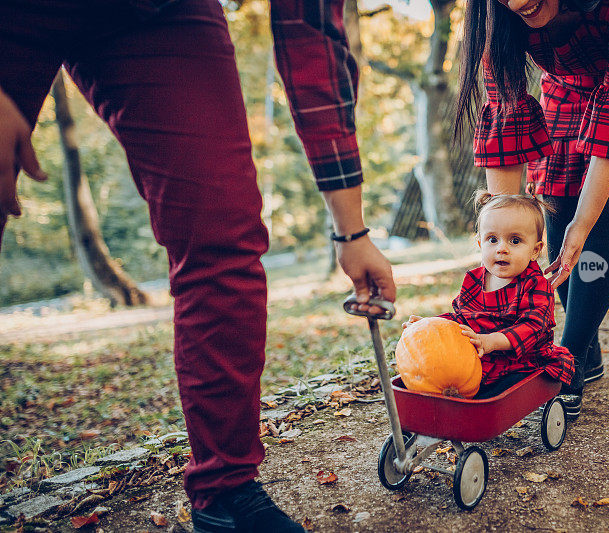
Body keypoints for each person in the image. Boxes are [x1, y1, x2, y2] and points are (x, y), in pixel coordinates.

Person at [0, 0, 394, 531]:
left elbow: (311, 35)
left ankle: (225, 492)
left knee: (222, 234)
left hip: (158, 13)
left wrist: (352, 232)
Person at [454, 0, 609, 418]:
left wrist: (584, 224)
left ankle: (572, 357)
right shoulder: (495, 16)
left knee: (596, 219)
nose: (517, 3)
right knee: (554, 208)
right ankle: (585, 341)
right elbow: (506, 116)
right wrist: (503, 232)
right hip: (569, 83)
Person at [404, 191, 574, 399]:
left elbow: (533, 327)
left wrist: (492, 341)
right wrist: (430, 325)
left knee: (505, 387)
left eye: (515, 241)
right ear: (479, 244)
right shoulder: (474, 280)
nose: (502, 249)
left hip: (520, 360)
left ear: (535, 250)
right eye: (492, 239)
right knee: (444, 374)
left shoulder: (536, 285)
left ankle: (487, 402)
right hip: (481, 355)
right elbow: (460, 318)